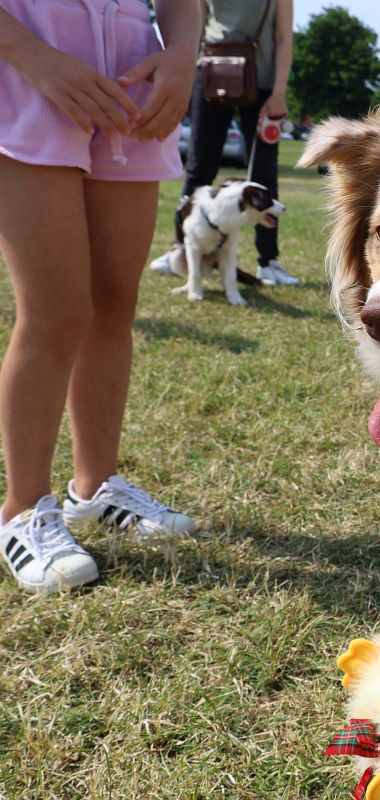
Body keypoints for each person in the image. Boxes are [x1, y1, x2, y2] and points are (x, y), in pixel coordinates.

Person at [0, 0, 201, 593]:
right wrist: (33, 57)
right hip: (27, 75)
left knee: (114, 308)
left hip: (130, 89)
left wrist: (182, 58)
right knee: (56, 314)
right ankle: (21, 509)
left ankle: (95, 487)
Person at [150, 0, 298, 287]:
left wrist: (280, 91)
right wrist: (184, 79)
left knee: (263, 173)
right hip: (209, 74)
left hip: (263, 82)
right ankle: (179, 249)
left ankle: (268, 262)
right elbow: (195, 29)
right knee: (199, 167)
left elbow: (283, 38)